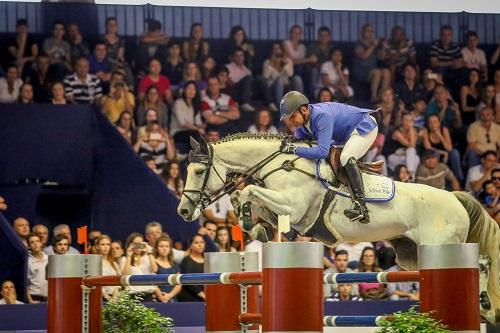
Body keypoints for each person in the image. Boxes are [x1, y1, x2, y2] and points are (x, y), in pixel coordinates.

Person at [279, 91, 379, 223]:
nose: (290, 122)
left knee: (346, 157)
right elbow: (298, 140)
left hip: (363, 128)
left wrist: (294, 149)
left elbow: (322, 152)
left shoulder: (322, 116)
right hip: (344, 135)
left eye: (293, 117)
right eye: (289, 119)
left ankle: (361, 206)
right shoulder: (304, 123)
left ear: (304, 110)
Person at [352, 23, 390, 102]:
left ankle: (383, 95)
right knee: (377, 72)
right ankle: (374, 97)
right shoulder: (358, 44)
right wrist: (373, 45)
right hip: (361, 72)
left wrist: (383, 47)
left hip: (372, 70)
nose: (370, 33)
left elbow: (381, 57)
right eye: (368, 31)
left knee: (386, 72)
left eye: (371, 31)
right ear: (362, 32)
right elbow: (364, 56)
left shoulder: (374, 44)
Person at [422, 114, 464, 182]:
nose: (433, 124)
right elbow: (428, 148)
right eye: (430, 122)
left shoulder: (444, 129)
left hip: (447, 155)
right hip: (434, 155)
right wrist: (444, 153)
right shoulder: (426, 130)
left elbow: (449, 148)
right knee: (431, 155)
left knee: (455, 153)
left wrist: (439, 135)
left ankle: (459, 178)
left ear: (439, 123)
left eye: (435, 122)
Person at [262, 43, 301, 110]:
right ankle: (281, 106)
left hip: (286, 86)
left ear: (282, 50)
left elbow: (290, 74)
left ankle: (299, 104)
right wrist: (272, 64)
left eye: (278, 48)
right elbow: (265, 76)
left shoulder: (288, 61)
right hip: (273, 87)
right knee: (280, 79)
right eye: (274, 48)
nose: (276, 50)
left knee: (297, 78)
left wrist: (285, 64)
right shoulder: (267, 62)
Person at [122, 232, 158, 301]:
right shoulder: (125, 259)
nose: (138, 246)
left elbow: (155, 269)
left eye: (140, 244)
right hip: (132, 295)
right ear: (130, 244)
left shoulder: (147, 257)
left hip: (148, 294)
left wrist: (149, 252)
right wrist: (129, 256)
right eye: (135, 244)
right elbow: (126, 275)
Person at [171, 80, 205, 151]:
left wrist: (205, 127)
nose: (191, 91)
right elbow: (182, 123)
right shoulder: (178, 103)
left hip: (191, 131)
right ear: (184, 90)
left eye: (193, 89)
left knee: (210, 132)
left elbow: (198, 122)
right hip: (178, 132)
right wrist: (198, 129)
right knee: (196, 135)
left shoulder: (195, 105)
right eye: (189, 88)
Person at [384, 112, 420, 179]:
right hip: (393, 157)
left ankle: (411, 176)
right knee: (411, 150)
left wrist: (412, 130)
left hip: (405, 157)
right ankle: (411, 177)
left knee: (416, 158)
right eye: (406, 120)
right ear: (402, 121)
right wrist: (411, 129)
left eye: (410, 120)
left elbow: (413, 147)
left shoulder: (413, 132)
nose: (408, 123)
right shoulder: (397, 132)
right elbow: (411, 145)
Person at [177, 234, 206, 302]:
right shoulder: (186, 261)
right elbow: (188, 281)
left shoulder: (207, 261)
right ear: (190, 245)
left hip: (204, 298)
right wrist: (202, 294)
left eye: (202, 242)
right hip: (189, 299)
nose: (200, 245)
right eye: (196, 242)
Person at [154, 235, 181, 302]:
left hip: (173, 300)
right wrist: (161, 296)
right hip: (157, 300)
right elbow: (152, 283)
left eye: (167, 246)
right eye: (161, 246)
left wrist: (170, 295)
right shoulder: (154, 264)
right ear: (156, 248)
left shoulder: (175, 265)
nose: (164, 249)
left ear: (170, 248)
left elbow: (179, 284)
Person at [95, 235, 121, 300]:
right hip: (101, 298)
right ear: (98, 246)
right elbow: (96, 283)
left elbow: (118, 282)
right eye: (103, 244)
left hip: (115, 298)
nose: (106, 247)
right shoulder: (95, 262)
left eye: (108, 244)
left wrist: (115, 297)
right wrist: (107, 297)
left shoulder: (114, 263)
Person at [26, 234, 48, 303]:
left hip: (49, 297)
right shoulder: (27, 261)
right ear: (29, 246)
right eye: (32, 242)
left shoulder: (49, 258)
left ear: (41, 243)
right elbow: (25, 283)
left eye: (37, 241)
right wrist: (30, 300)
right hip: (34, 297)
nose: (35, 244)